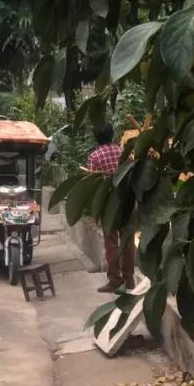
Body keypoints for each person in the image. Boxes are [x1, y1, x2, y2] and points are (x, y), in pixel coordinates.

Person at [86, 122, 135, 293]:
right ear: (112, 135)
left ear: (96, 137)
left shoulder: (94, 157)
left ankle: (114, 280)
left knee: (111, 242)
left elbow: (92, 185)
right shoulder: (123, 152)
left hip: (108, 204)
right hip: (128, 200)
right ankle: (129, 279)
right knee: (128, 240)